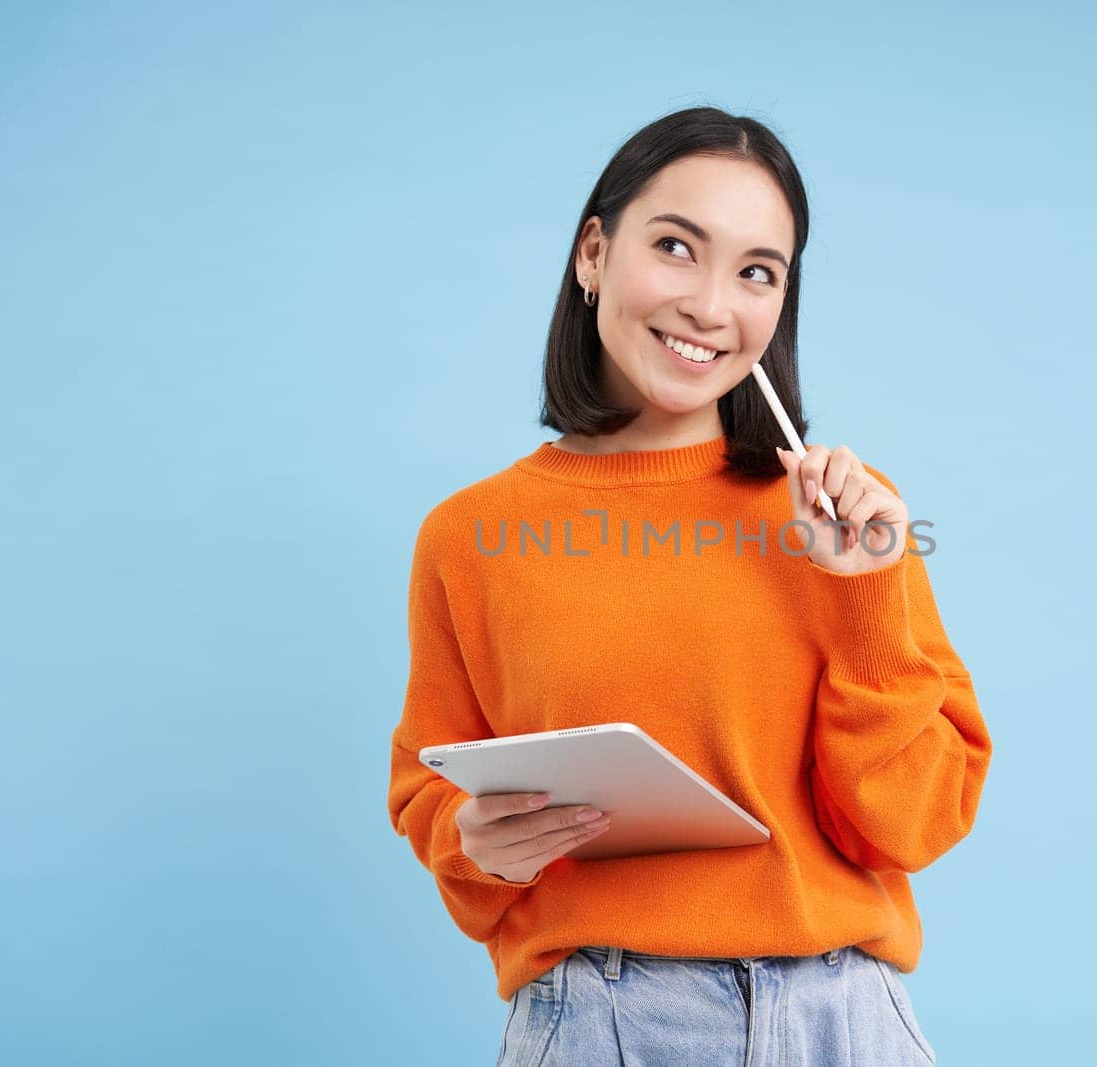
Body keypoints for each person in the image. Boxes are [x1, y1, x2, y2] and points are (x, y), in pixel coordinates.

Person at [386, 105, 992, 1065]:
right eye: (676, 247)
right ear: (594, 253)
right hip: (601, 1022)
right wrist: (472, 842)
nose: (714, 306)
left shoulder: (852, 522)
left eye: (758, 271)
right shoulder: (467, 539)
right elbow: (433, 800)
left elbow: (909, 825)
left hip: (845, 1022)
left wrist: (868, 594)